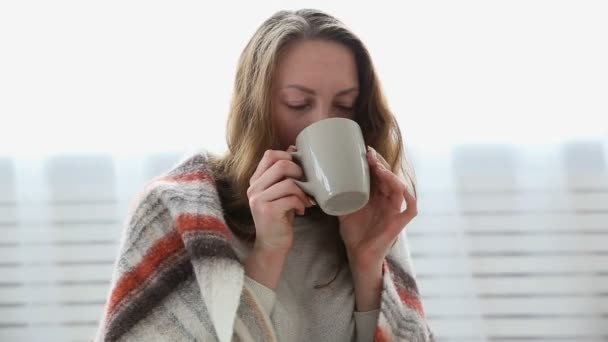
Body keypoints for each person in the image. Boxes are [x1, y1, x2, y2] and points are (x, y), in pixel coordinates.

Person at [93, 8, 435, 342]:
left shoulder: (371, 215)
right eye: (298, 103)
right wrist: (268, 252)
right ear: (255, 107)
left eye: (344, 106)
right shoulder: (178, 210)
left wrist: (367, 262)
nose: (322, 123)